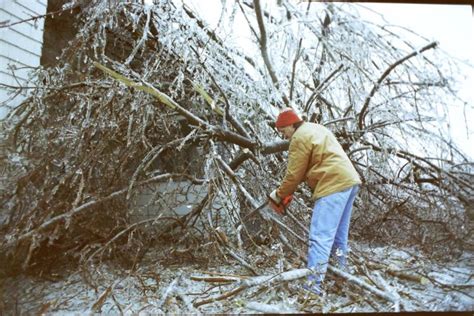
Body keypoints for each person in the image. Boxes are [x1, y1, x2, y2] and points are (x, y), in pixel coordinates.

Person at [268, 107, 361, 296]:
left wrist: (279, 194)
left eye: (283, 129)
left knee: (319, 238)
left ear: (292, 124)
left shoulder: (299, 137)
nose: (282, 134)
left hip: (332, 184)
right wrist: (289, 191)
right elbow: (312, 164)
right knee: (338, 238)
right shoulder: (315, 129)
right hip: (349, 181)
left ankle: (313, 287)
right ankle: (339, 276)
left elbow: (294, 174)